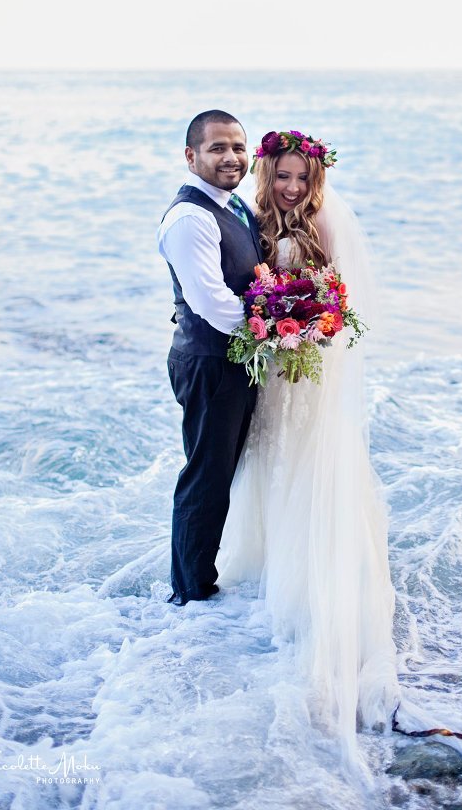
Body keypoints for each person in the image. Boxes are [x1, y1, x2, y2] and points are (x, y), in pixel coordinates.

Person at [215, 128, 401, 775]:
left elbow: (342, 305)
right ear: (269, 174)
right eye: (284, 175)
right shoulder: (256, 215)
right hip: (271, 370)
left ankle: (309, 587)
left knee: (308, 468)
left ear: (315, 176)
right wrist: (269, 324)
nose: (293, 186)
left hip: (311, 372)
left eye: (302, 176)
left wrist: (307, 328)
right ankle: (265, 563)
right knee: (266, 467)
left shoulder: (327, 217)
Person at [157, 110, 263, 606]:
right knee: (206, 476)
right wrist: (283, 333)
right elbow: (215, 305)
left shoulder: (233, 205)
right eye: (217, 148)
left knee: (222, 471)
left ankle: (199, 575)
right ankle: (190, 592)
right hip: (210, 361)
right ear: (191, 156)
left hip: (236, 359)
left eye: (238, 147)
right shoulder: (190, 217)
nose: (231, 157)